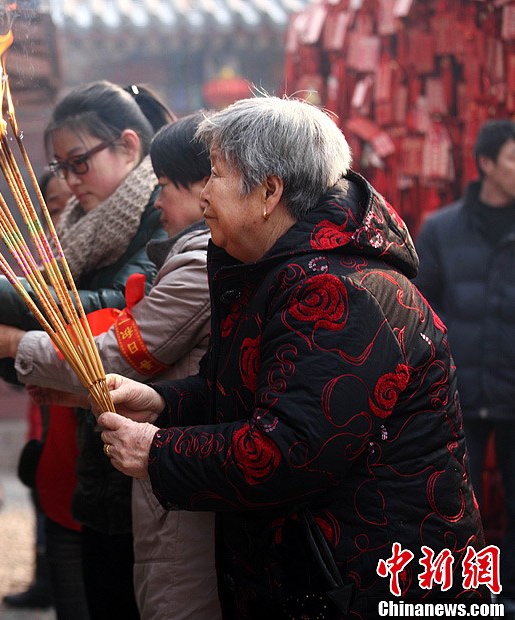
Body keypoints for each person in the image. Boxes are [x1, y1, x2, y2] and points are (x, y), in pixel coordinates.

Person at [96, 96, 489, 617]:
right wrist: (163, 406)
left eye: (215, 174)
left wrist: (159, 452)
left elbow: (290, 448)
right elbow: (246, 389)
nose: (204, 192)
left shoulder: (340, 292)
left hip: (370, 582)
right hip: (315, 576)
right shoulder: (278, 273)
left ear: (268, 192)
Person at [0, 114, 221, 619]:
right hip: (120, 463)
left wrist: (3, 329)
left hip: (164, 472)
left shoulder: (193, 256)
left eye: (79, 164)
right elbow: (179, 380)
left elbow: (119, 350)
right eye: (60, 171)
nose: (69, 184)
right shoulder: (104, 237)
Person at [415, 119, 515, 612]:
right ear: (487, 164)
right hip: (459, 391)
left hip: (513, 390)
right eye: (513, 159)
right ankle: (467, 597)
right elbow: (423, 310)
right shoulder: (441, 228)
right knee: (454, 504)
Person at [1, 171, 73, 611]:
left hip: (73, 396)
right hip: (43, 402)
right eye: (54, 207)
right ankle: (45, 575)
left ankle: (52, 578)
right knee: (43, 484)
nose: (61, 216)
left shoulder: (79, 252)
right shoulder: (41, 254)